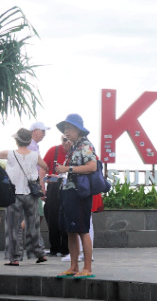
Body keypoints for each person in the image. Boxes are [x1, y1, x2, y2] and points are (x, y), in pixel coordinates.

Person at [54, 113, 98, 279]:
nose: (66, 132)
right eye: (65, 129)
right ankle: (73, 267)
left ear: (78, 130)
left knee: (82, 230)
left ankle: (87, 268)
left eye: (69, 128)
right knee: (70, 230)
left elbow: (92, 166)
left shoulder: (85, 145)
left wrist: (68, 169)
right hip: (69, 191)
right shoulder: (74, 147)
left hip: (79, 193)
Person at [0, 128, 48, 266]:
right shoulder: (34, 155)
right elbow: (45, 165)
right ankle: (39, 253)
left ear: (16, 140)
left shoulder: (9, 154)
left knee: (13, 227)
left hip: (13, 195)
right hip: (31, 194)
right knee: (33, 225)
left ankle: (15, 258)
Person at [42, 134, 71, 257]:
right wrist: (42, 186)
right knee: (51, 216)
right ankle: (54, 247)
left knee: (66, 218)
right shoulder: (53, 150)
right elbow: (43, 167)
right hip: (53, 188)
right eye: (64, 140)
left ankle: (66, 249)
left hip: (69, 189)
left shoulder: (77, 153)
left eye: (69, 140)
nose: (66, 143)